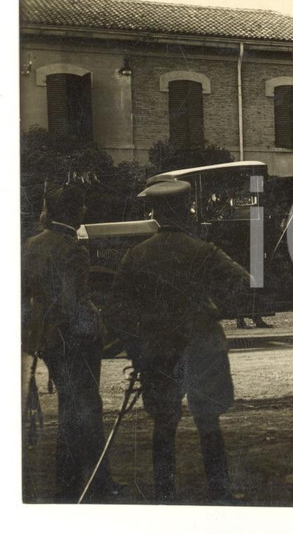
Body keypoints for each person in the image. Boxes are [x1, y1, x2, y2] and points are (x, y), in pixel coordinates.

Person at [112, 180, 250, 503]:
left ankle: (165, 495)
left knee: (163, 425)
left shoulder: (136, 255)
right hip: (202, 346)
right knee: (208, 423)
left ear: (156, 214)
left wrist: (137, 346)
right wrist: (217, 308)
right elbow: (243, 282)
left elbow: (117, 309)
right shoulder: (203, 251)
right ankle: (220, 493)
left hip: (158, 350)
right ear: (185, 211)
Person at [22, 184, 120, 502]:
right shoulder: (72, 248)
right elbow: (73, 302)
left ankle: (66, 483)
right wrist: (95, 327)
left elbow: (24, 296)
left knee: (70, 408)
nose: (84, 212)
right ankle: (97, 484)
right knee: (88, 409)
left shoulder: (33, 244)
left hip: (47, 340)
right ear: (74, 211)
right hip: (74, 340)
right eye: (81, 207)